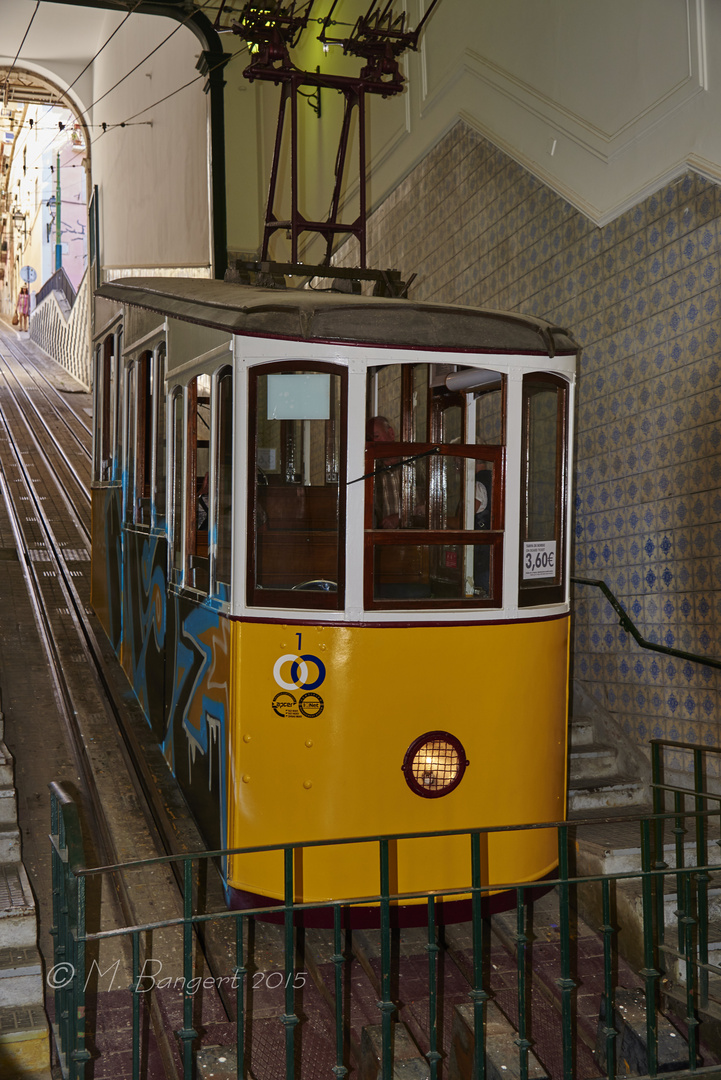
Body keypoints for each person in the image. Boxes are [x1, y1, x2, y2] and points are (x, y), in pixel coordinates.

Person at [367, 415, 401, 528]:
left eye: (376, 436)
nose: (373, 442)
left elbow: (430, 505)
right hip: (382, 540)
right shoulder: (370, 471)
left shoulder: (414, 465)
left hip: (414, 538)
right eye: (369, 439)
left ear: (391, 434)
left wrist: (400, 517)